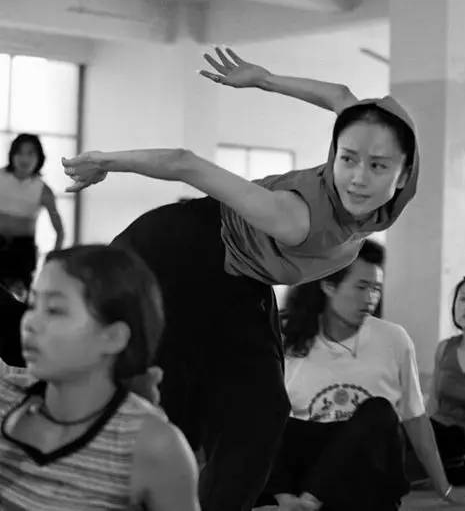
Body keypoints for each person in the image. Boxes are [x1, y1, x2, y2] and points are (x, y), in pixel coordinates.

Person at [61, 47, 419, 511]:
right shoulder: (297, 218)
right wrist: (104, 161)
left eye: (378, 166)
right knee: (167, 398)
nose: (357, 178)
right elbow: (184, 162)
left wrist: (264, 79)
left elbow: (340, 95)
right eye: (347, 159)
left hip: (241, 274)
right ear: (335, 153)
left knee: (261, 411)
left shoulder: (378, 135)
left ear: (405, 172)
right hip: (178, 252)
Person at [256, 241, 465, 511]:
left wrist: (446, 489)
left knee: (380, 412)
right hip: (307, 467)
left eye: (376, 288)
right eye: (361, 287)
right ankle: (291, 501)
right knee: (265, 413)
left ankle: (310, 501)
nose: (371, 297)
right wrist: (282, 494)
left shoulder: (393, 339)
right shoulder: (287, 339)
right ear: (328, 285)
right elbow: (268, 424)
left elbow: (416, 420)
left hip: (366, 477)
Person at [0, 245, 199, 510]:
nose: (29, 323)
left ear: (113, 337)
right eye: (33, 305)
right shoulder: (7, 398)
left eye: (55, 310)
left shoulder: (152, 446)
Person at [406, 274, 465, 487]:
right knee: (397, 427)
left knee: (454, 435)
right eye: (463, 299)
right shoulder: (445, 348)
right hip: (436, 438)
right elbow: (432, 404)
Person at [0, 134, 64, 299]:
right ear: (12, 155)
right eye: (20, 152)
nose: (25, 159)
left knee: (18, 303)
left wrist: (53, 260)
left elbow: (59, 231)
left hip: (22, 253)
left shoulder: (44, 190)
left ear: (39, 158)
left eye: (30, 153)